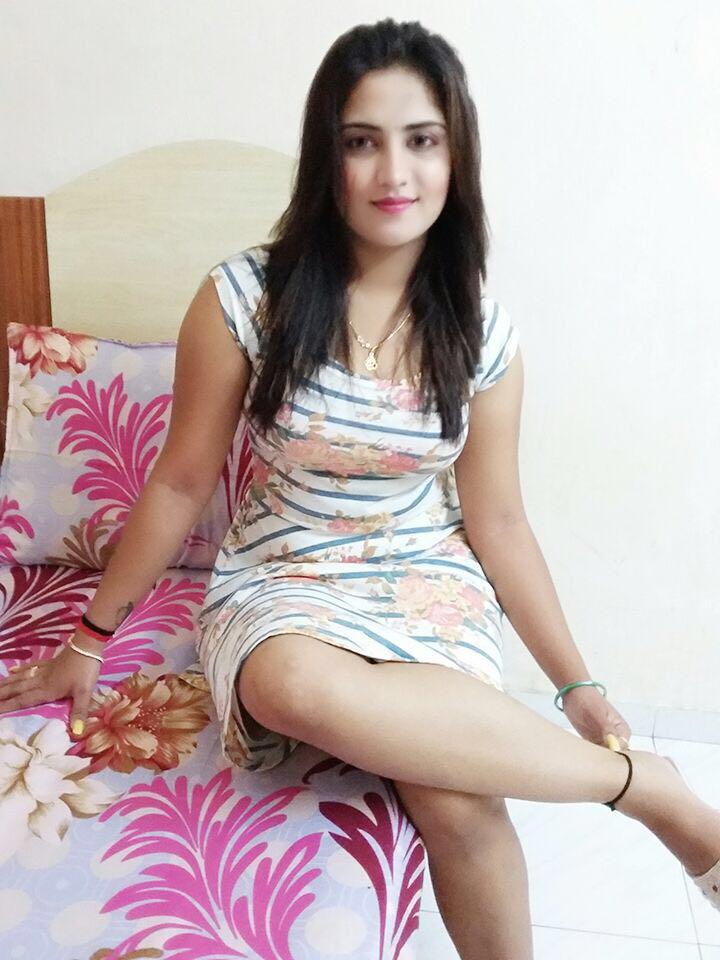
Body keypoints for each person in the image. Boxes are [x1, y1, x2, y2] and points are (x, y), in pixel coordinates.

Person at [1, 17, 718, 959]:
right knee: (289, 683)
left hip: (426, 579)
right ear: (325, 158)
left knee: (455, 798)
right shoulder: (245, 297)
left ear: (456, 156)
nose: (394, 173)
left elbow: (499, 520)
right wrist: (89, 638)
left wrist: (576, 684)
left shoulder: (482, 332)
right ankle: (644, 789)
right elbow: (179, 482)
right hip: (281, 573)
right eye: (361, 142)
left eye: (422, 140)